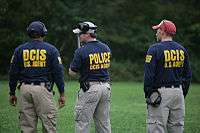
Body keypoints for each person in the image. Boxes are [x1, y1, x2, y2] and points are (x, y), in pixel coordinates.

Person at [9, 21, 65, 133]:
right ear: (44, 33)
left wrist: (12, 93)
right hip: (42, 89)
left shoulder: (19, 50)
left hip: (24, 89)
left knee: (27, 127)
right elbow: (58, 73)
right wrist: (62, 93)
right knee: (49, 124)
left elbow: (13, 73)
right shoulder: (51, 50)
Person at [144, 19, 192, 133]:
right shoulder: (182, 49)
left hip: (160, 93)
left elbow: (149, 76)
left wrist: (149, 94)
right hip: (178, 93)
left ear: (163, 32)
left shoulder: (154, 49)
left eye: (158, 30)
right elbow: (188, 75)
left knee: (156, 127)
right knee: (177, 128)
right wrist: (181, 92)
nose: (156, 33)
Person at [69, 21, 112, 133]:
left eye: (80, 34)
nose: (79, 36)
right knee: (104, 123)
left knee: (82, 122)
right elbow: (106, 65)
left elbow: (72, 72)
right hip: (106, 88)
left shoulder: (81, 51)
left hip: (90, 89)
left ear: (87, 34)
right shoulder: (106, 48)